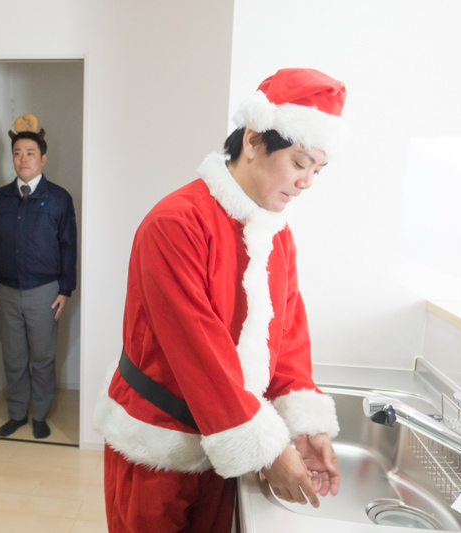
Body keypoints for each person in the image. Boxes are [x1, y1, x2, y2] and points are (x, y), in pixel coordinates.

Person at [93, 68, 349, 532]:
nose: (307, 182)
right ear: (253, 141)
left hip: (226, 442)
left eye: (317, 170)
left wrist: (304, 427)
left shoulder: (276, 234)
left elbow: (287, 337)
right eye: (300, 163)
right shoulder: (175, 223)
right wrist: (269, 450)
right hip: (158, 444)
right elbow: (199, 351)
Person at [0, 128, 77, 440]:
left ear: (43, 158)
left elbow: (68, 246)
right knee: (13, 358)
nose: (23, 159)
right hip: (6, 291)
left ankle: (40, 415)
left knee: (42, 358)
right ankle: (16, 413)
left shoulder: (59, 198)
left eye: (30, 153)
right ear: (12, 158)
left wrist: (65, 289)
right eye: (17, 153)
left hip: (45, 292)